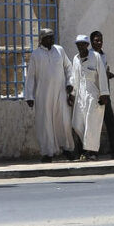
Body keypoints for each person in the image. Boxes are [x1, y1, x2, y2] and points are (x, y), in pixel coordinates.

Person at [24, 29, 76, 162]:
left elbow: (68, 67)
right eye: (48, 38)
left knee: (64, 121)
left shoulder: (59, 50)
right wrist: (29, 96)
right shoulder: (36, 55)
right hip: (43, 95)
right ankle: (48, 153)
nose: (51, 40)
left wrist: (70, 83)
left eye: (52, 37)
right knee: (45, 123)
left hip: (60, 93)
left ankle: (67, 149)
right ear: (41, 39)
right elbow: (30, 77)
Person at [69, 34, 107, 160]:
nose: (80, 47)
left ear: (87, 45)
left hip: (94, 96)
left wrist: (104, 94)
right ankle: (86, 149)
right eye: (78, 44)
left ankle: (91, 152)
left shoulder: (95, 57)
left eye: (82, 44)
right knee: (77, 123)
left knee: (92, 124)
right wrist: (72, 94)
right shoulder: (75, 59)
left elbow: (102, 76)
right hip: (80, 96)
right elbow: (74, 78)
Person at [89, 31, 114, 157]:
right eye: (97, 40)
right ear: (92, 42)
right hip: (94, 95)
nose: (99, 43)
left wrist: (108, 74)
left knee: (110, 123)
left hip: (105, 94)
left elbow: (103, 72)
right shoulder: (90, 56)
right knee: (93, 125)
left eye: (101, 40)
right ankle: (91, 151)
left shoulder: (103, 55)